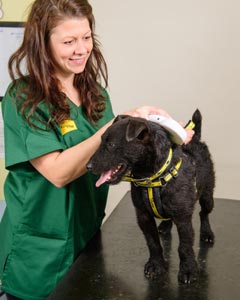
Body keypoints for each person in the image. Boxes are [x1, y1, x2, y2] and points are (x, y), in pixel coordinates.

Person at [0, 0, 194, 299]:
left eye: (86, 37)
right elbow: (58, 173)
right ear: (42, 43)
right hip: (37, 250)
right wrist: (118, 124)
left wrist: (160, 143)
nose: (81, 49)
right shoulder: (23, 98)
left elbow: (111, 160)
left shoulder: (95, 95)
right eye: (69, 41)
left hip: (86, 237)